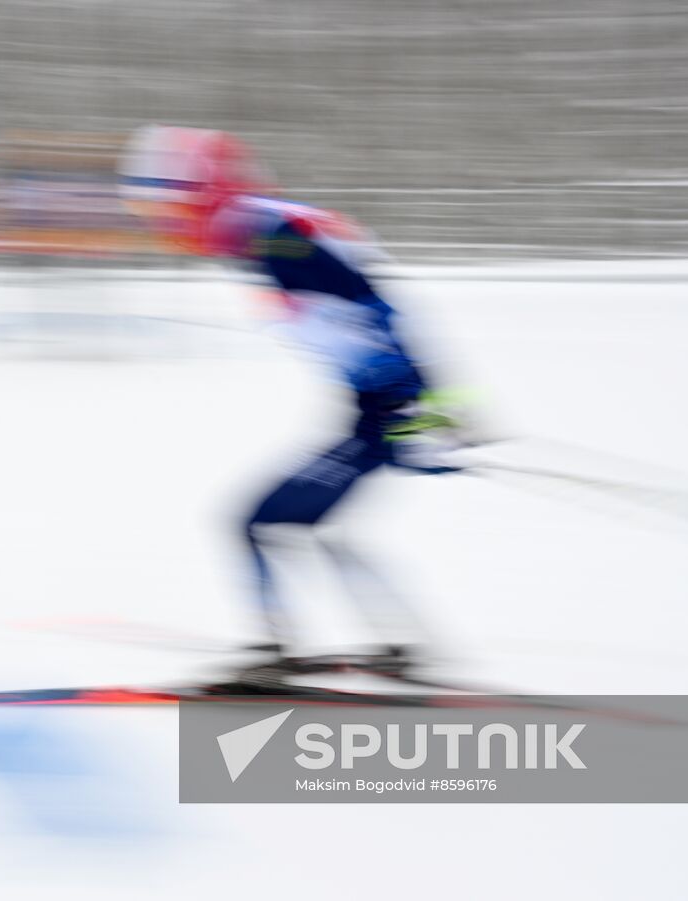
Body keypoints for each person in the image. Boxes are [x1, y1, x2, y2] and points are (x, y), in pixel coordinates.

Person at [119, 125, 465, 681]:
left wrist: (421, 413)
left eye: (166, 208)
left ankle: (278, 654)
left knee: (256, 522)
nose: (162, 225)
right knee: (304, 527)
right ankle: (400, 648)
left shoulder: (273, 236)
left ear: (199, 192)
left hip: (385, 413)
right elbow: (367, 306)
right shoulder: (261, 232)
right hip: (377, 410)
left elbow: (379, 309)